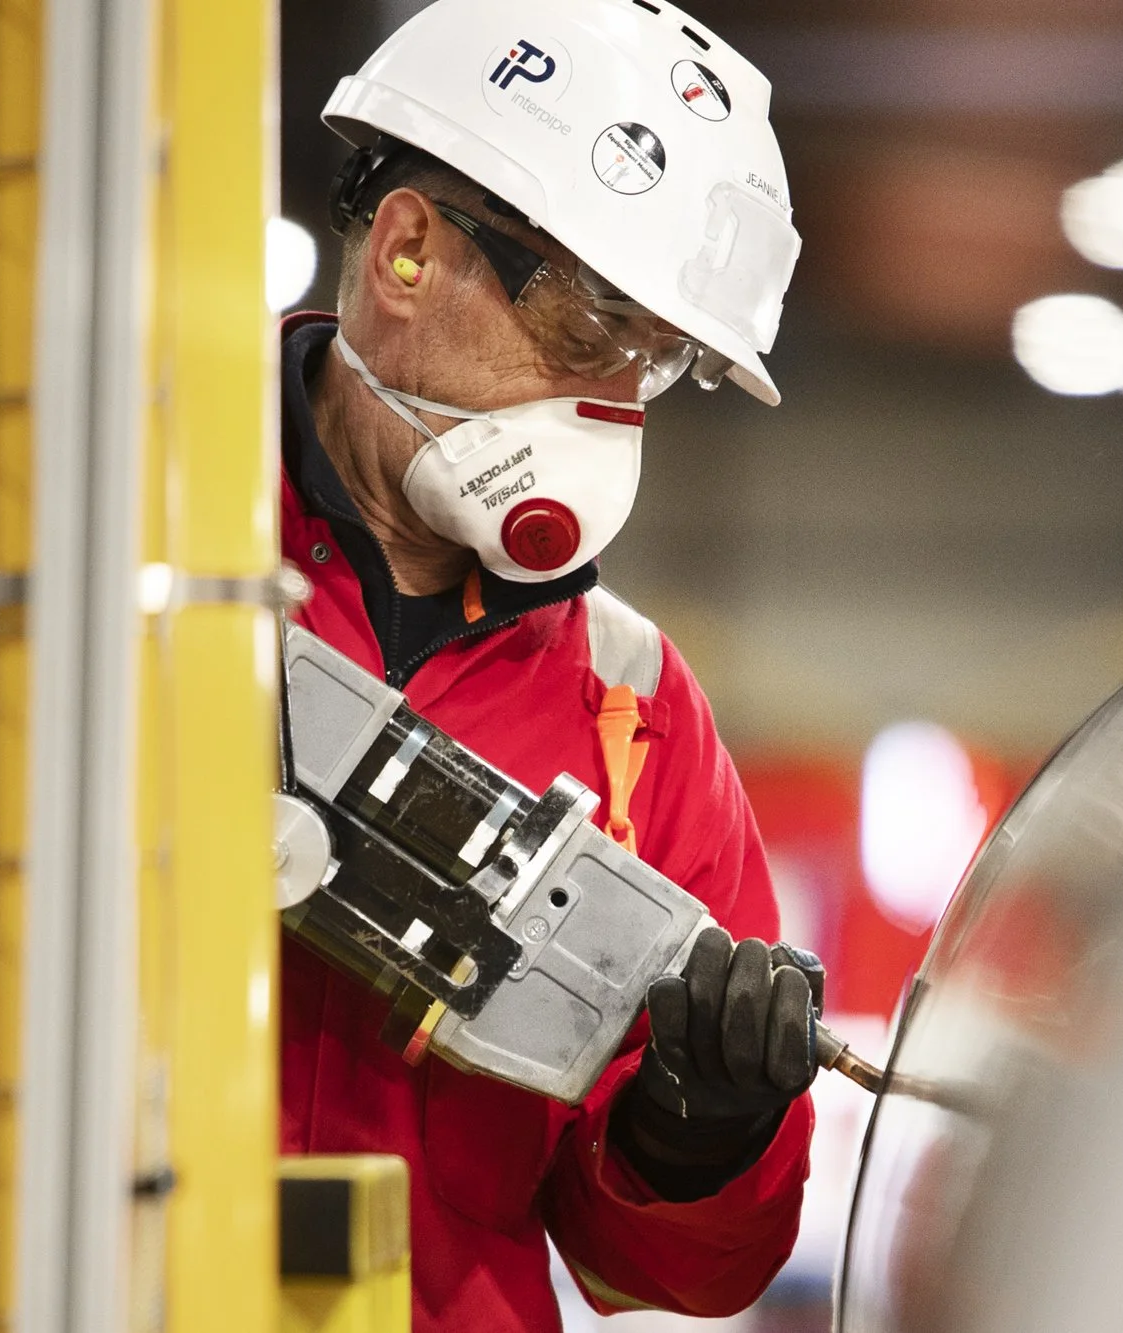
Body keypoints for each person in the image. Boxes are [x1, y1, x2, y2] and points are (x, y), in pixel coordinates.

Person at [276, 2, 815, 1328]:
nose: (613, 409)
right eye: (588, 331)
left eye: (656, 361)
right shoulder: (120, 559)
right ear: (407, 251)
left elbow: (670, 1273)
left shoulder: (637, 712)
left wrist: (693, 1137)